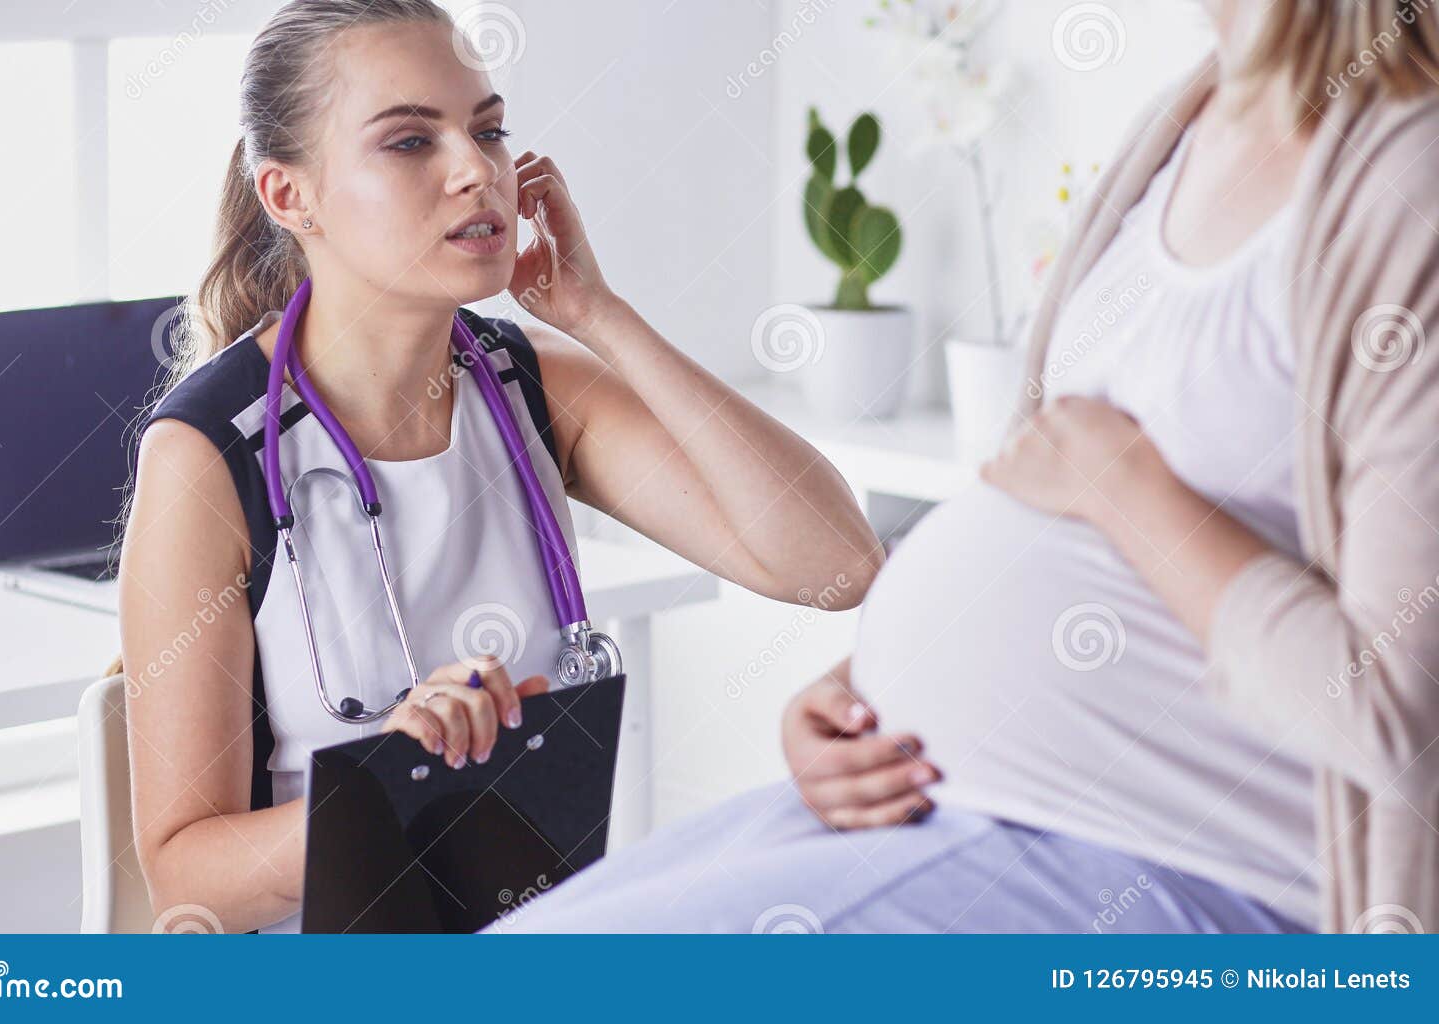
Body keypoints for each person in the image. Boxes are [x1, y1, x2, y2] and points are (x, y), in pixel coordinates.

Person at [494, 0, 1439, 934]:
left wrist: (1129, 489)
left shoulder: (1409, 187)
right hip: (946, 807)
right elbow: (1040, 493)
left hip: (1179, 869)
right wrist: (861, 684)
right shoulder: (1190, 119)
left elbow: (1401, 714)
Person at [114, 0, 882, 935]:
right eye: (408, 142)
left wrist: (597, 313)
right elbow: (185, 877)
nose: (477, 170)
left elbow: (836, 566)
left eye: (487, 128)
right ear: (290, 197)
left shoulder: (527, 385)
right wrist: (387, 780)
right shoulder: (208, 455)